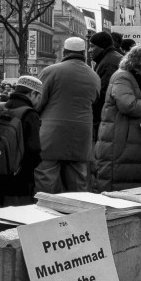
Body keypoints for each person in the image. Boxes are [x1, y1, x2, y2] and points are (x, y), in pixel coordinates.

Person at [35, 37, 100, 193]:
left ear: (64, 52)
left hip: (51, 134)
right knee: (78, 184)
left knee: (46, 180)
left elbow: (38, 102)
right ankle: (78, 215)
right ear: (84, 54)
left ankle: (47, 215)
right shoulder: (94, 76)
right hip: (81, 135)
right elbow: (95, 101)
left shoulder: (51, 71)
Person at [95, 44, 141, 192]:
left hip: (124, 138)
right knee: (119, 185)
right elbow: (128, 105)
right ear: (140, 63)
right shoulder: (123, 77)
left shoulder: (129, 77)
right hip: (120, 141)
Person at [0, 76, 43, 207]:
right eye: (39, 97)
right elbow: (34, 150)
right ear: (33, 93)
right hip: (19, 182)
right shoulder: (29, 114)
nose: (39, 101)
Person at [90, 31, 124, 137]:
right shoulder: (110, 59)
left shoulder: (108, 63)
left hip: (108, 119)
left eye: (92, 46)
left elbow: (104, 94)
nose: (89, 50)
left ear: (102, 47)